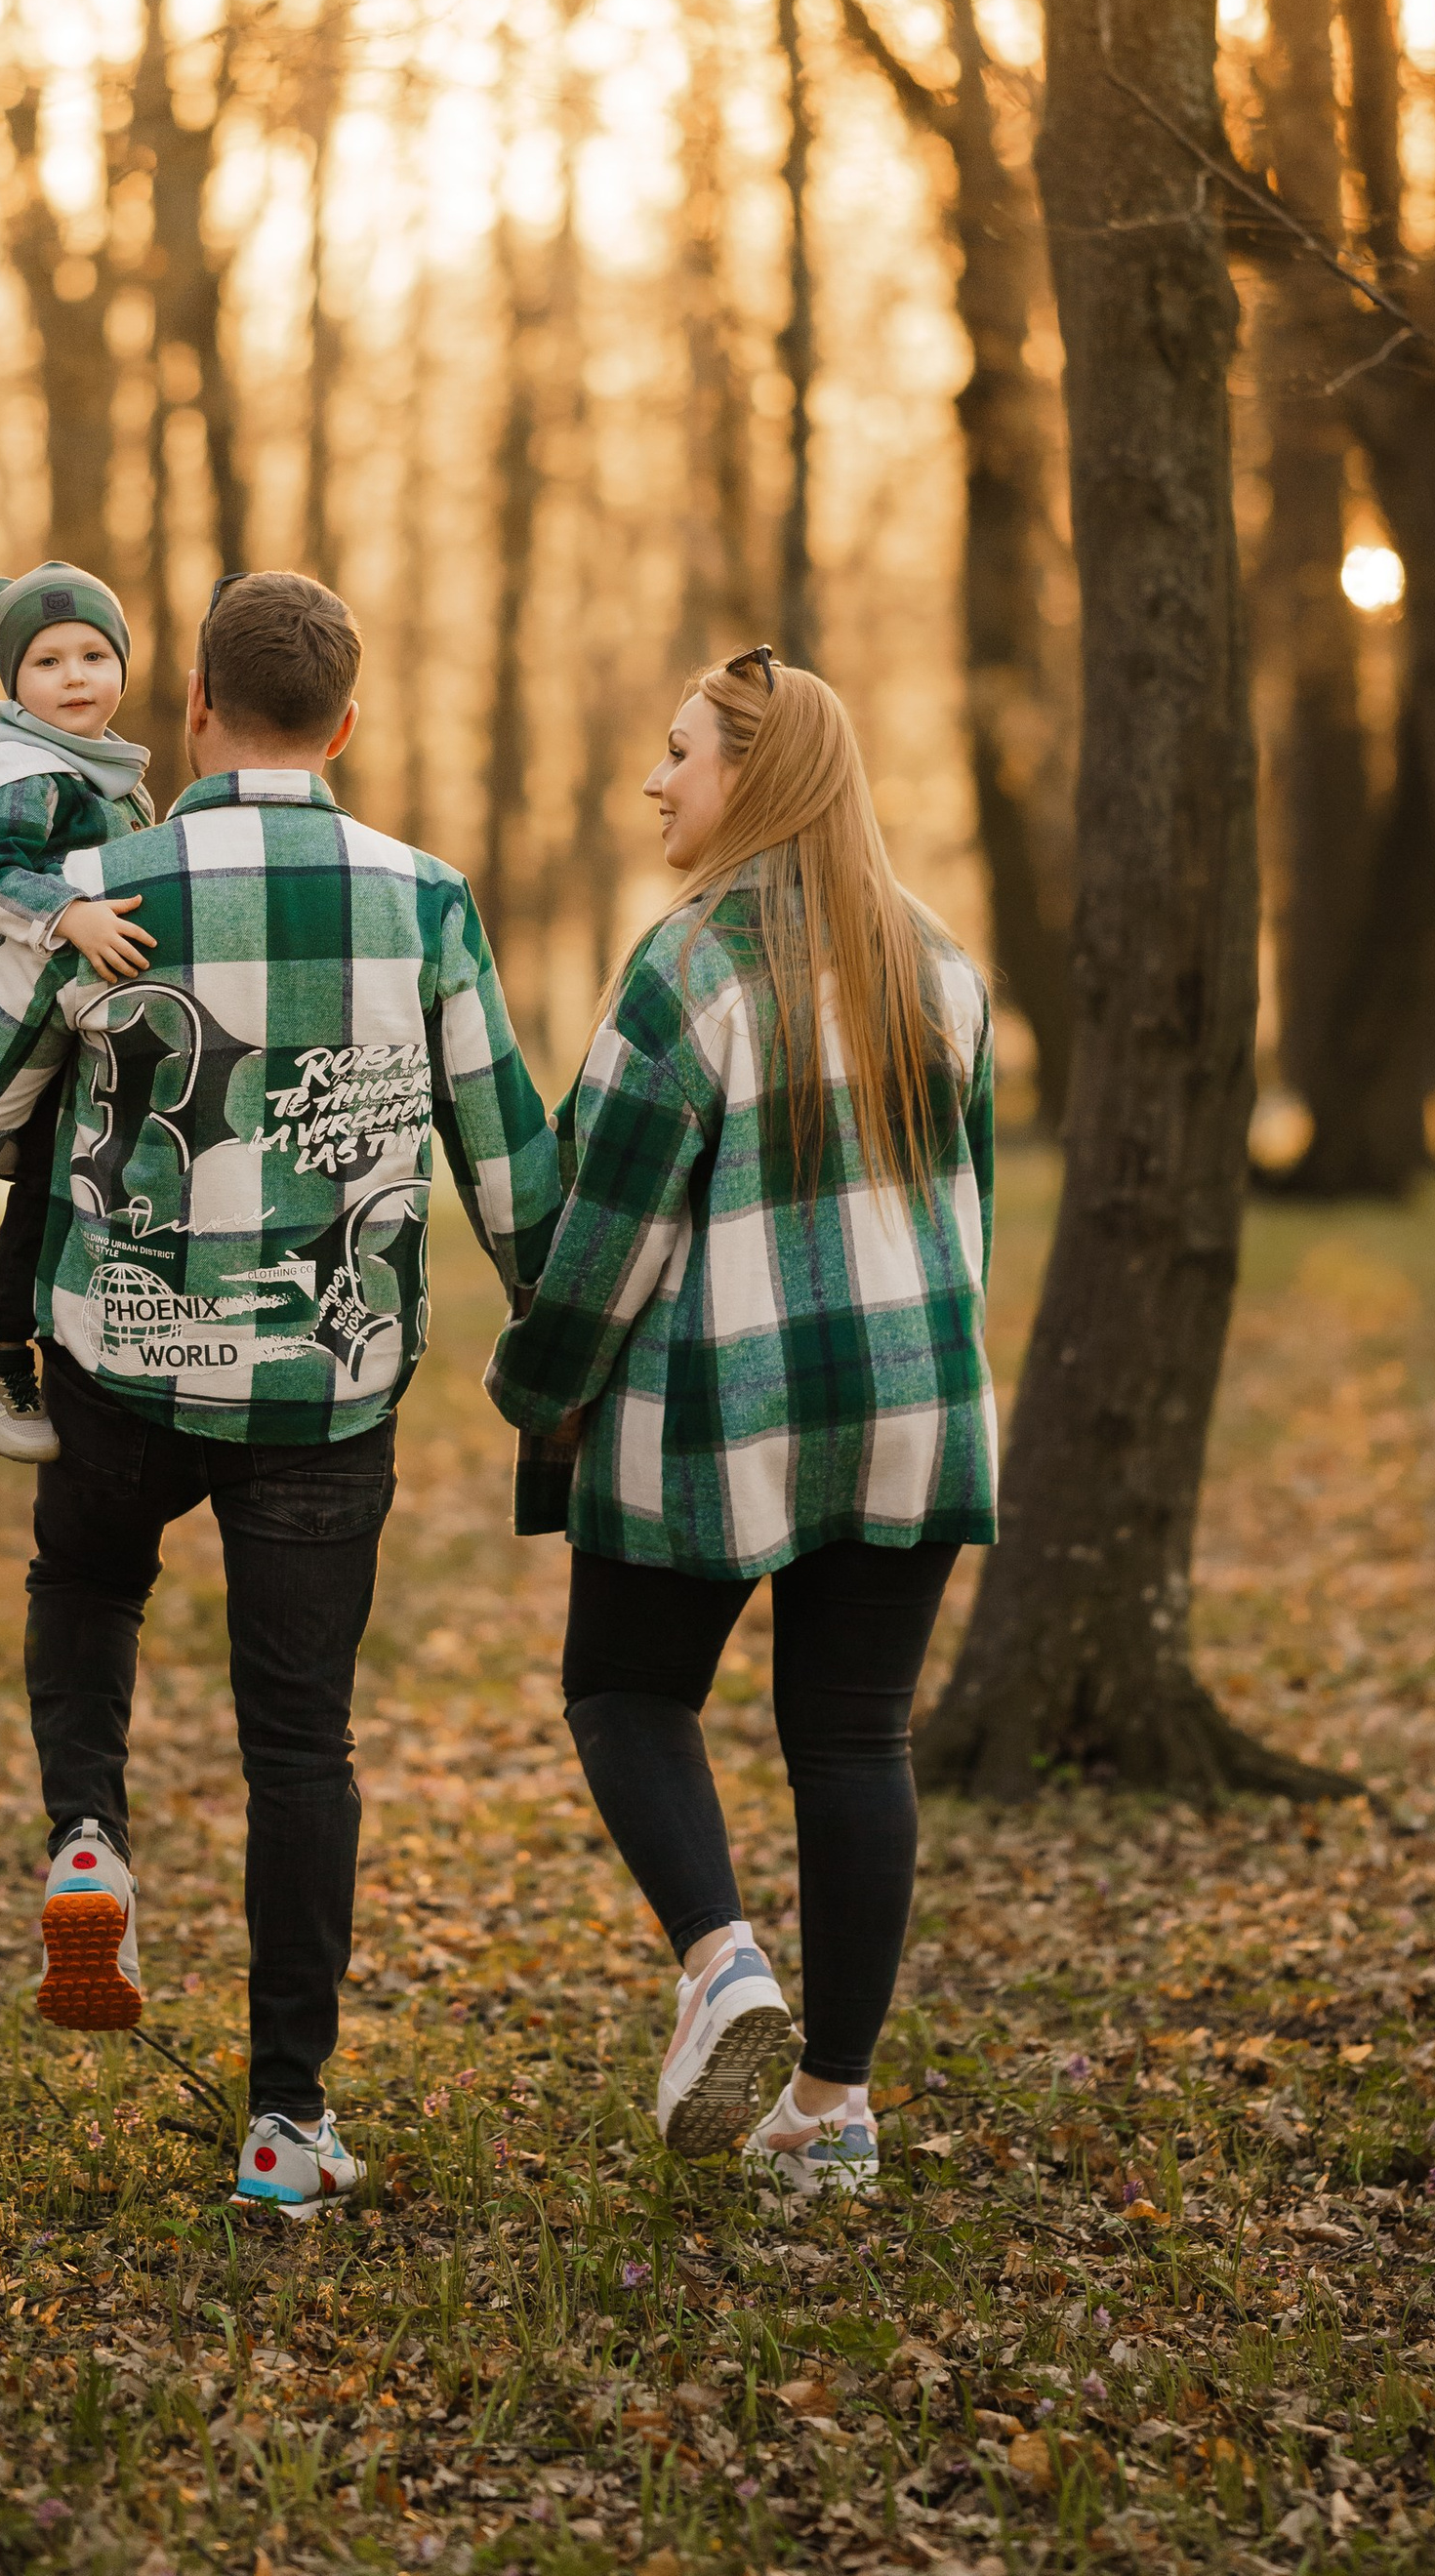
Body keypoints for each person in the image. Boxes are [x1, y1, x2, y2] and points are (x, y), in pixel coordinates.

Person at [0, 569, 562, 2218]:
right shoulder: (424, 898)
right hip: (327, 1389)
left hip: (124, 1355)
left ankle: (87, 1838)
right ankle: (286, 2119)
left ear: (191, 708)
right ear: (344, 725)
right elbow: (509, 1161)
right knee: (300, 1745)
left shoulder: (96, 881)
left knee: (89, 1578)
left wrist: (79, 1029)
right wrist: (571, 1345)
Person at [485, 647, 997, 2201]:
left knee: (623, 1690)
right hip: (913, 1406)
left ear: (752, 778)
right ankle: (832, 2108)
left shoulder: (687, 969)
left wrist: (540, 1386)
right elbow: (968, 1213)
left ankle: (721, 1967)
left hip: (722, 1414)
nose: (657, 781)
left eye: (681, 754)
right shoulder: (942, 965)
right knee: (854, 1737)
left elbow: (610, 1233)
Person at [0, 562, 159, 1463]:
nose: (74, 678)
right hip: (25, 1019)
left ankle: (86, 1337)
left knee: (77, 1178)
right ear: (13, 683)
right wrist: (69, 912)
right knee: (41, 1189)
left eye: (94, 655)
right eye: (47, 662)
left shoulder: (108, 772)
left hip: (88, 1017)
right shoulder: (24, 772)